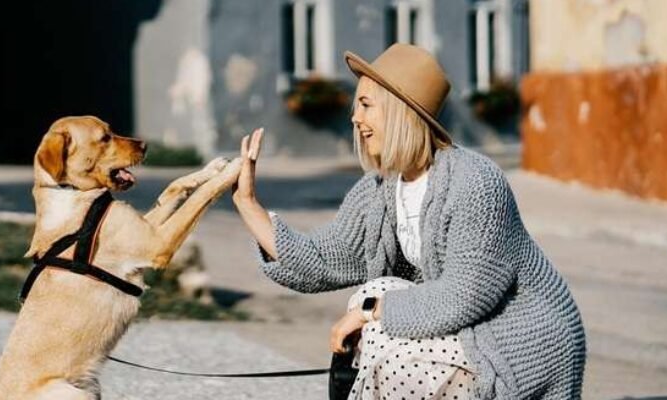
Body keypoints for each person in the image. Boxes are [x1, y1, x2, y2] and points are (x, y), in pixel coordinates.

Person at [231, 44, 586, 400]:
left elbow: (464, 296)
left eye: (366, 105)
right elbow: (322, 259)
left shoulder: (475, 182)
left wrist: (370, 314)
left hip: (520, 336)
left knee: (383, 334)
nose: (355, 117)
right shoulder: (381, 188)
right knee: (374, 295)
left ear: (400, 110)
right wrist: (247, 204)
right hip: (468, 327)